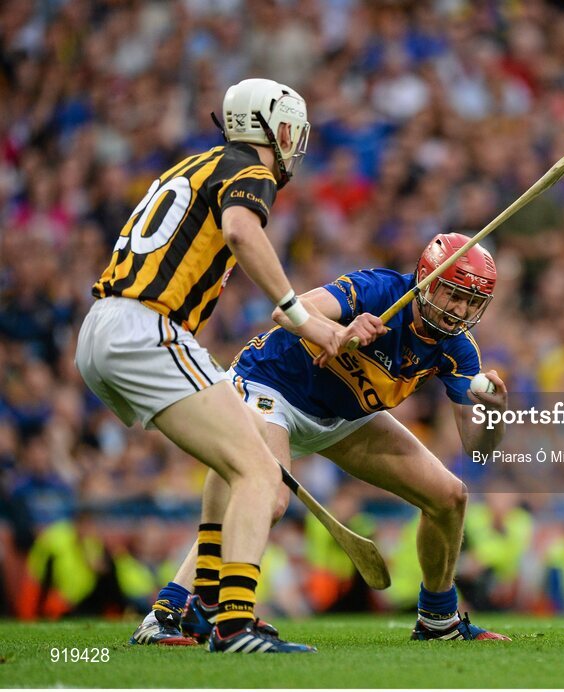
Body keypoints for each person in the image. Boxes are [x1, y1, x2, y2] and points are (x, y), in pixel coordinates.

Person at [77, 78, 358, 654]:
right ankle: (234, 622)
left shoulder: (199, 163)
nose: (296, 145)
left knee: (240, 459)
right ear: (271, 129)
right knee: (261, 474)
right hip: (147, 328)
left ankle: (177, 612)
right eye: (292, 131)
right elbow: (238, 230)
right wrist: (299, 315)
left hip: (108, 327)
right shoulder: (249, 170)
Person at [133, 232, 511, 643]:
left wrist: (494, 416)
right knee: (269, 499)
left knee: (449, 496)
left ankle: (439, 619)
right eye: (453, 294)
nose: (460, 310)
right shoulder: (377, 289)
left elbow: (477, 451)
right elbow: (287, 313)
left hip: (341, 417)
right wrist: (337, 330)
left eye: (472, 302)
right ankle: (170, 610)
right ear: (427, 278)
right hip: (270, 387)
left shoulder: (458, 349)